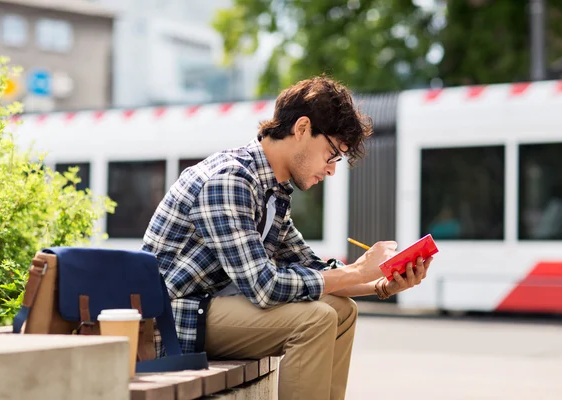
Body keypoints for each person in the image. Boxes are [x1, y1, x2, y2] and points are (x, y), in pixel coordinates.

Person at [141, 76, 432, 400]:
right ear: (302, 128)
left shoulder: (273, 193)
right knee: (315, 319)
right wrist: (358, 271)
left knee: (341, 310)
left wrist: (381, 283)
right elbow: (264, 287)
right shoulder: (228, 180)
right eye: (332, 154)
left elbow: (312, 268)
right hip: (174, 319)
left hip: (212, 308)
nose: (332, 170)